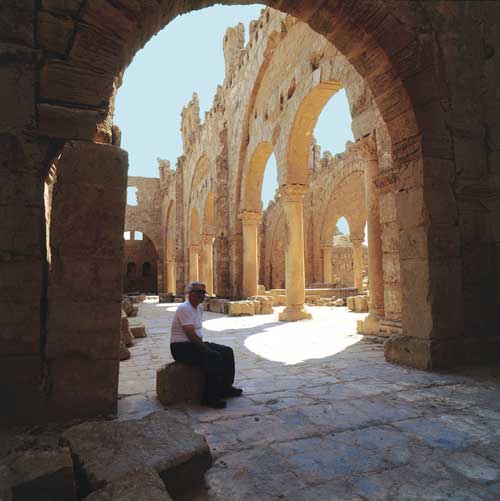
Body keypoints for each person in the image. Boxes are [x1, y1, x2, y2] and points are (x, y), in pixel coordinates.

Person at [170, 281, 242, 409]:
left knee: (227, 351)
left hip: (193, 344)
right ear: (190, 294)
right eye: (198, 293)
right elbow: (190, 334)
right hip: (181, 347)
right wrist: (206, 349)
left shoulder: (199, 308)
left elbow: (196, 333)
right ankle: (209, 398)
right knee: (213, 357)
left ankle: (226, 388)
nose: (201, 296)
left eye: (203, 293)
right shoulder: (184, 308)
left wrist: (204, 346)